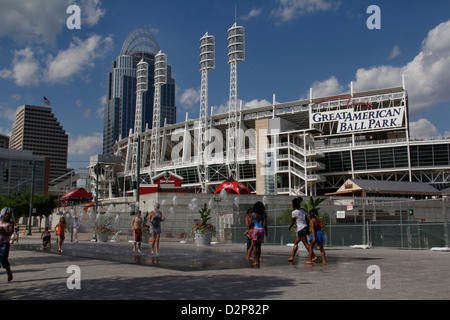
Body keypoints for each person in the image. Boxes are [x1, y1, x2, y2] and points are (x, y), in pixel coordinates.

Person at [288, 197, 314, 262]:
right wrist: (308, 229)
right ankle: (291, 257)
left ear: (294, 205)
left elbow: (292, 221)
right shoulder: (303, 211)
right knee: (296, 243)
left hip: (300, 229)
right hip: (304, 228)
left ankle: (313, 256)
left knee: (306, 244)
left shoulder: (294, 212)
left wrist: (290, 227)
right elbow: (306, 221)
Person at [251, 201, 268, 267]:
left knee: (255, 246)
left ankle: (256, 261)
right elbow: (265, 224)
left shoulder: (253, 214)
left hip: (255, 229)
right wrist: (266, 231)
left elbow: (250, 223)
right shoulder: (264, 214)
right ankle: (258, 259)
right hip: (262, 229)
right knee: (259, 246)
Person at [0, 207, 14, 282]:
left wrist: (3, 231)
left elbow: (10, 233)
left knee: (4, 259)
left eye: (9, 215)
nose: (7, 216)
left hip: (5, 244)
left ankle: (9, 273)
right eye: (5, 214)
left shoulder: (10, 223)